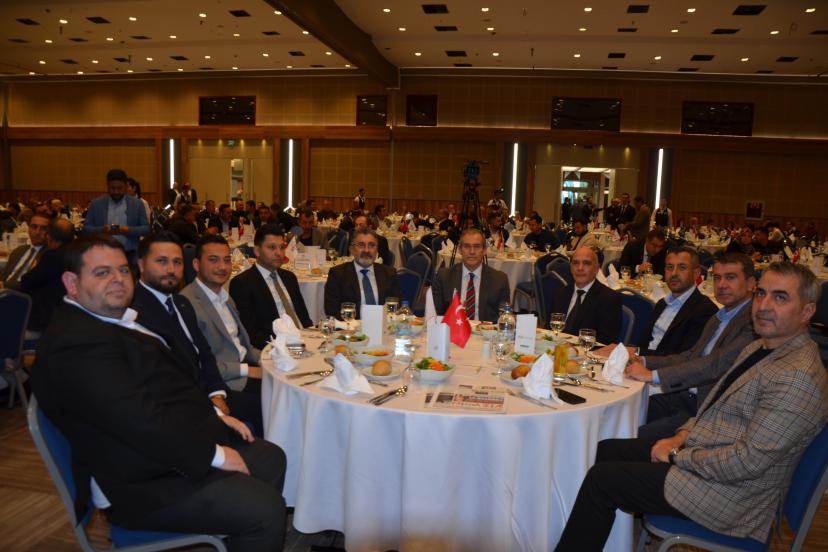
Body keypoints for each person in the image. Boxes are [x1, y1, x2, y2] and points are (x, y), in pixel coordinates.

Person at [31, 235, 287, 551]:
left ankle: (240, 533)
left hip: (168, 445)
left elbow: (170, 386)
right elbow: (138, 421)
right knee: (264, 510)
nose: (117, 279)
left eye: (122, 270)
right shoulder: (76, 344)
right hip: (142, 480)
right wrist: (216, 455)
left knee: (270, 458)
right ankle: (249, 523)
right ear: (72, 283)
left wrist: (216, 415)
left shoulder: (109, 321)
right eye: (102, 272)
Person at [555, 262, 828, 552]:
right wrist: (681, 436)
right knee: (603, 450)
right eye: (761, 293)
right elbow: (713, 406)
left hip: (730, 497)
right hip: (708, 456)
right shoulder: (760, 348)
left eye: (780, 297)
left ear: (807, 311)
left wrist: (677, 455)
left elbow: (747, 463)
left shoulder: (797, 377)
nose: (763, 305)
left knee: (602, 481)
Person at [132, 231, 263, 436]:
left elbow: (204, 354)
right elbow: (173, 376)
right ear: (141, 265)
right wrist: (213, 401)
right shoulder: (136, 313)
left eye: (177, 262)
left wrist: (216, 393)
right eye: (161, 261)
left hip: (212, 386)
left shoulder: (181, 303)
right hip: (191, 400)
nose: (171, 269)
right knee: (274, 405)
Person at [626, 252, 757, 439]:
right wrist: (645, 361)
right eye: (717, 278)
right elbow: (690, 356)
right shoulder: (719, 317)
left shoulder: (753, 322)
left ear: (751, 283)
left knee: (628, 436)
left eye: (730, 277)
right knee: (618, 415)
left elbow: (715, 365)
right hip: (680, 396)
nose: (721, 285)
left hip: (703, 411)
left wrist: (652, 376)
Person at [180, 235, 264, 398]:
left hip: (246, 366)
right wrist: (249, 370)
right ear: (196, 264)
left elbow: (242, 346)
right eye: (213, 260)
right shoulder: (187, 304)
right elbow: (198, 364)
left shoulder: (225, 296)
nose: (223, 267)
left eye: (227, 260)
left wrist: (268, 360)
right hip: (226, 383)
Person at [230, 225, 313, 350]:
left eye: (282, 247)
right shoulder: (243, 283)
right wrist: (285, 346)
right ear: (257, 251)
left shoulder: (289, 277)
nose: (279, 253)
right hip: (276, 347)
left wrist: (311, 338)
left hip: (304, 340)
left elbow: (304, 317)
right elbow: (251, 332)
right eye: (272, 247)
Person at [637, 247, 718, 356]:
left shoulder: (705, 311)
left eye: (682, 267)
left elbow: (683, 357)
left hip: (663, 365)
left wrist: (638, 353)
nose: (674, 273)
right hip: (641, 360)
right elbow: (644, 341)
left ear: (696, 273)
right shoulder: (662, 303)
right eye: (670, 267)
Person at [431, 228, 511, 323]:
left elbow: (504, 317)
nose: (472, 251)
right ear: (460, 250)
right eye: (466, 246)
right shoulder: (444, 276)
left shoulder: (500, 279)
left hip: (485, 330)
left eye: (477, 246)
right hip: (454, 329)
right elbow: (436, 314)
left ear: (484, 250)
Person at [324, 228, 401, 320]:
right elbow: (331, 311)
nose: (366, 250)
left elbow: (397, 306)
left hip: (383, 326)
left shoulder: (389, 273)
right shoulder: (338, 274)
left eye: (371, 245)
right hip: (350, 327)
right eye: (361, 245)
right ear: (351, 249)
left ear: (377, 250)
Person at [550, 247, 622, 344]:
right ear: (571, 267)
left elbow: (605, 341)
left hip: (587, 351)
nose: (580, 268)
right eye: (575, 263)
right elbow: (549, 330)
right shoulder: (560, 294)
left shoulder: (609, 299)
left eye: (586, 263)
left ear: (597, 269)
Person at [20, 217, 75, 336]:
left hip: (46, 320)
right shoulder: (76, 252)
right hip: (69, 315)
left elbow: (27, 281)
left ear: (49, 236)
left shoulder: (53, 256)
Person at [81, 168, 150, 261]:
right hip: (102, 255)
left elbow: (146, 229)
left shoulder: (137, 204)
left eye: (120, 188)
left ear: (126, 186)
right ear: (107, 186)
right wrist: (102, 230)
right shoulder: (96, 204)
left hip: (130, 255)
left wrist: (128, 230)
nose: (116, 191)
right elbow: (86, 229)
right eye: (112, 188)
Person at [0, 211, 49, 289]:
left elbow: (34, 284)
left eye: (43, 228)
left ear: (49, 232)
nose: (37, 232)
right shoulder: (19, 251)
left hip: (21, 294)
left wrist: (4, 285)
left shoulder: (49, 256)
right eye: (34, 227)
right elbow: (4, 276)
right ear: (28, 228)